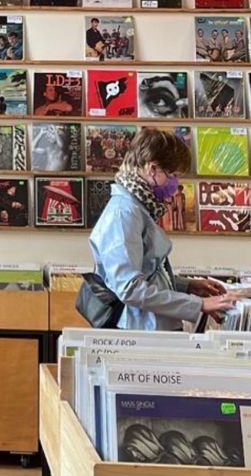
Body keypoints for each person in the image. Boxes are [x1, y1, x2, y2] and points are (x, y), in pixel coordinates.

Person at [89, 128, 236, 330]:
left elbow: (147, 271)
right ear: (152, 169)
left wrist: (187, 286)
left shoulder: (138, 206)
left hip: (150, 324)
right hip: (139, 329)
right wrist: (199, 305)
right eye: (173, 175)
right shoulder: (123, 213)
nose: (176, 184)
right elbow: (129, 288)